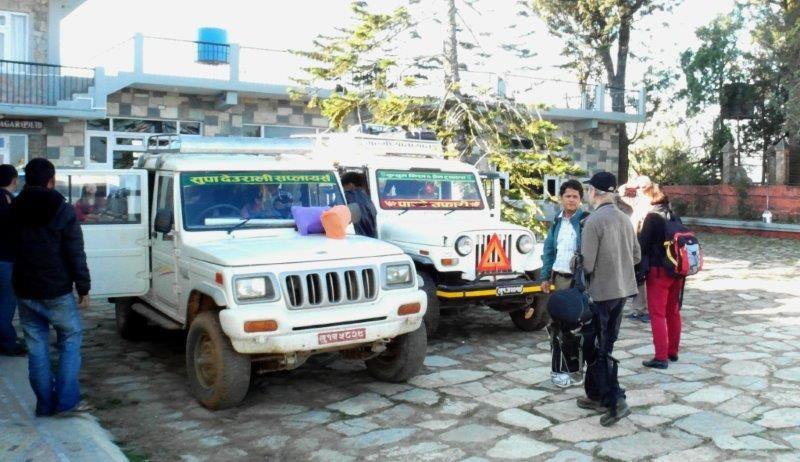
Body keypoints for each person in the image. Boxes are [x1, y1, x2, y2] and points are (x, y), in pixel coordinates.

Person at [10, 158, 92, 417]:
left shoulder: (14, 208)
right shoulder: (63, 210)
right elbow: (75, 252)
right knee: (70, 337)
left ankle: (45, 405)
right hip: (56, 289)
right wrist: (84, 287)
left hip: (24, 287)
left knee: (37, 347)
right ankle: (66, 402)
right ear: (51, 180)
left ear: (26, 180)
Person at [578, 171, 641, 427]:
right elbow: (636, 256)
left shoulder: (594, 222)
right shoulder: (625, 219)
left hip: (601, 294)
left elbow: (588, 265)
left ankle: (616, 400)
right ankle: (596, 395)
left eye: (589, 190)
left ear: (594, 192)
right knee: (604, 345)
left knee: (598, 349)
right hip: (622, 291)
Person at [537, 179, 590, 388]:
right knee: (555, 326)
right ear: (561, 198)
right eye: (567, 196)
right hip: (558, 279)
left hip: (577, 282)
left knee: (574, 328)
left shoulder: (585, 221)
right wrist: (544, 277)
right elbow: (549, 250)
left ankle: (576, 371)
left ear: (580, 199)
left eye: (575, 196)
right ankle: (558, 371)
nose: (571, 200)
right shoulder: (557, 222)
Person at [638, 183, 684, 369]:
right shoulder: (674, 215)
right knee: (672, 311)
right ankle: (672, 351)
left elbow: (642, 246)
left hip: (658, 272)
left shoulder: (652, 217)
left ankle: (660, 357)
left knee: (657, 314)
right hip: (677, 270)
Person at [619, 175, 653, 322]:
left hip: (645, 245)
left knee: (642, 277)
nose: (638, 190)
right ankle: (638, 309)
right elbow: (620, 194)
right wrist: (629, 184)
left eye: (641, 187)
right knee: (638, 277)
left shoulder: (650, 203)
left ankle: (643, 309)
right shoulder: (637, 201)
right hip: (635, 242)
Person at [0, 164, 26, 356]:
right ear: (14, 180)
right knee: (7, 302)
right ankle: (8, 342)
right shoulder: (8, 200)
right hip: (5, 258)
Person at [341, 172, 378, 238]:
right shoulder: (367, 197)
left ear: (350, 185)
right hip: (372, 237)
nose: (343, 190)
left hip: (356, 237)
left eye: (343, 187)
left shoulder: (348, 196)